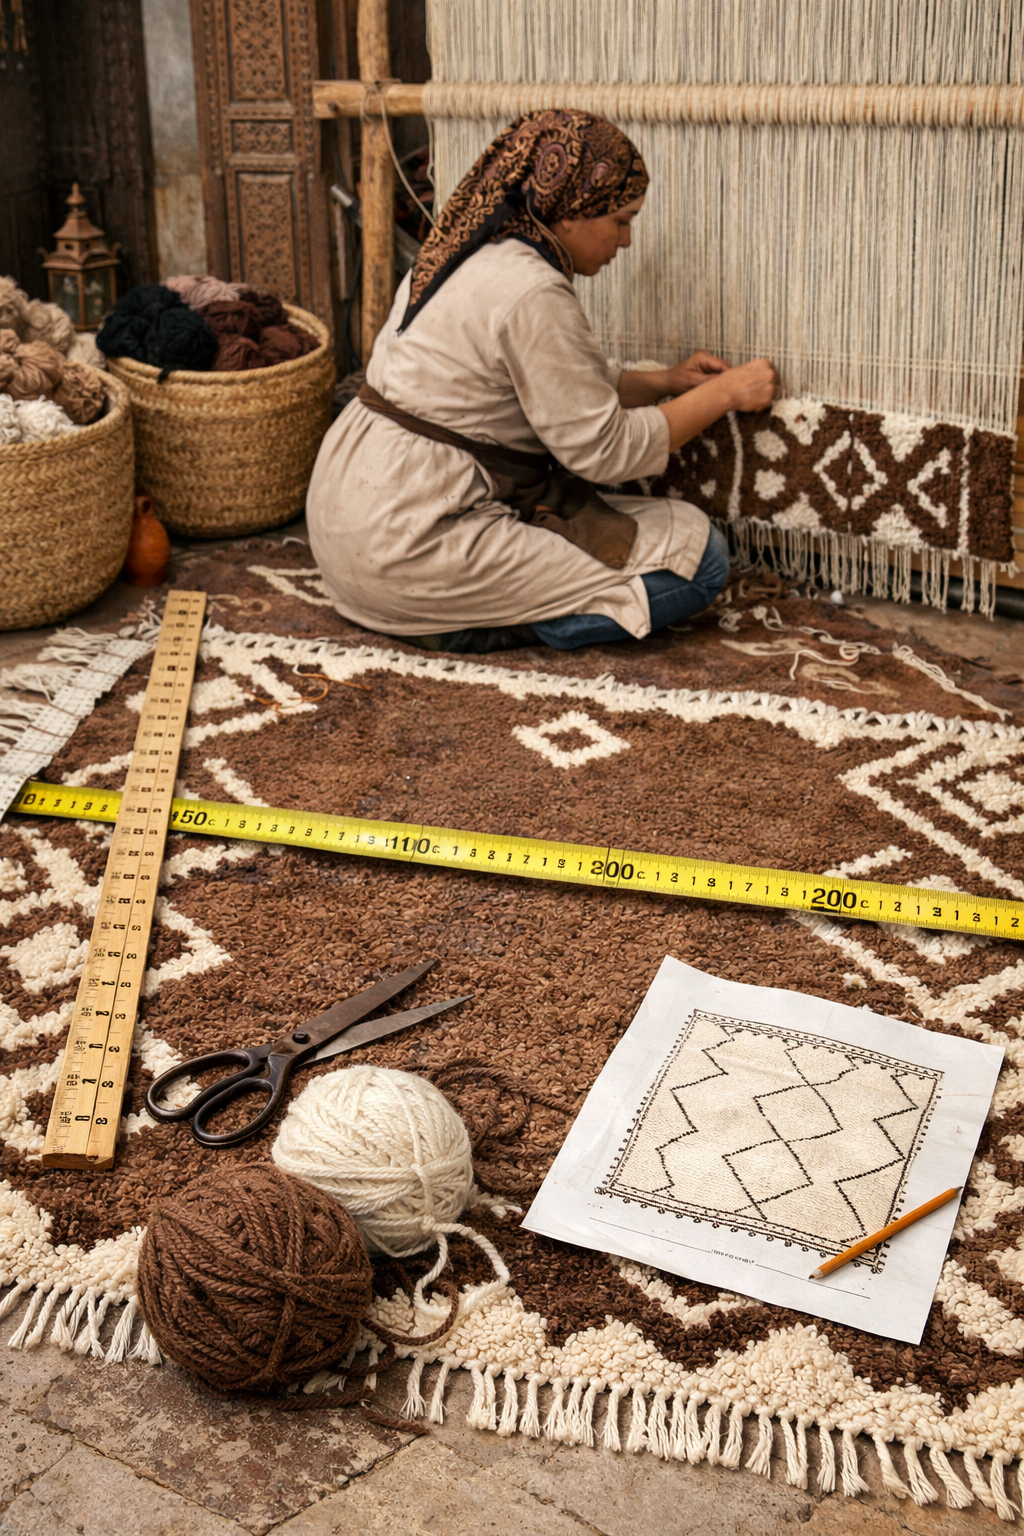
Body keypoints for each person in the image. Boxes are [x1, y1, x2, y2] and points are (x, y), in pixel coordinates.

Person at [307, 110, 777, 652]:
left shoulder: (464, 250)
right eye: (620, 220)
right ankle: (473, 628)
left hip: (349, 521)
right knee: (700, 561)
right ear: (569, 211)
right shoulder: (532, 290)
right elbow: (606, 452)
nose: (626, 240)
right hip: (411, 540)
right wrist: (725, 394)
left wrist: (665, 382)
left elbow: (553, 383)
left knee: (629, 527)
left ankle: (441, 605)